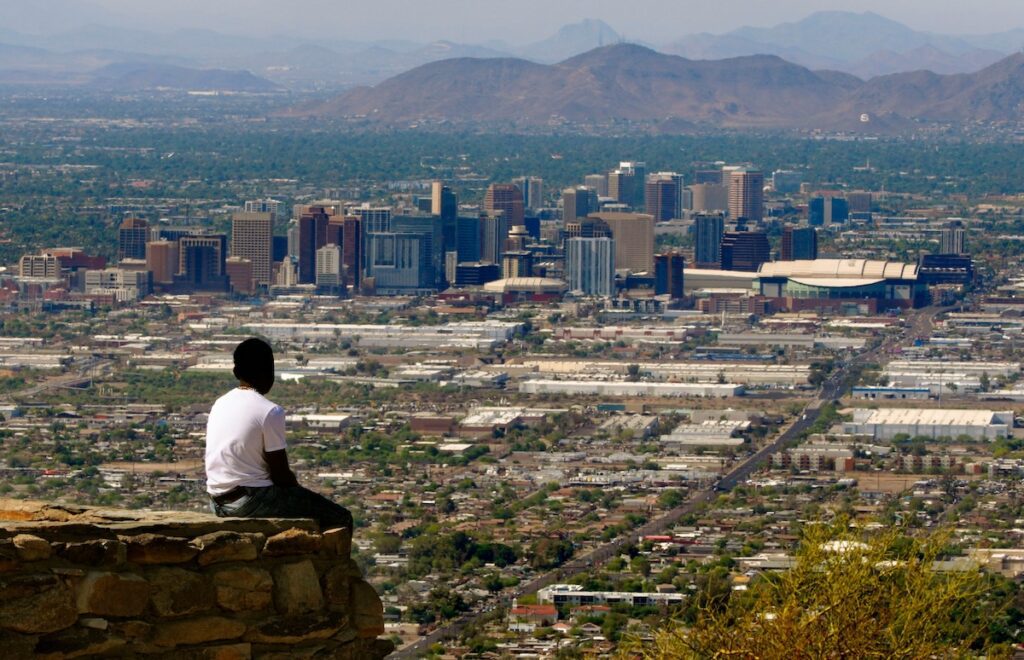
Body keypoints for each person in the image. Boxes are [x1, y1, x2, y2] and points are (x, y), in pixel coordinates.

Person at [205, 337, 352, 530]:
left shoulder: (220, 403)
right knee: (340, 517)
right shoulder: (269, 411)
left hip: (217, 502)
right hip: (250, 501)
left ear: (236, 371)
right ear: (268, 372)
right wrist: (299, 495)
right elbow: (281, 475)